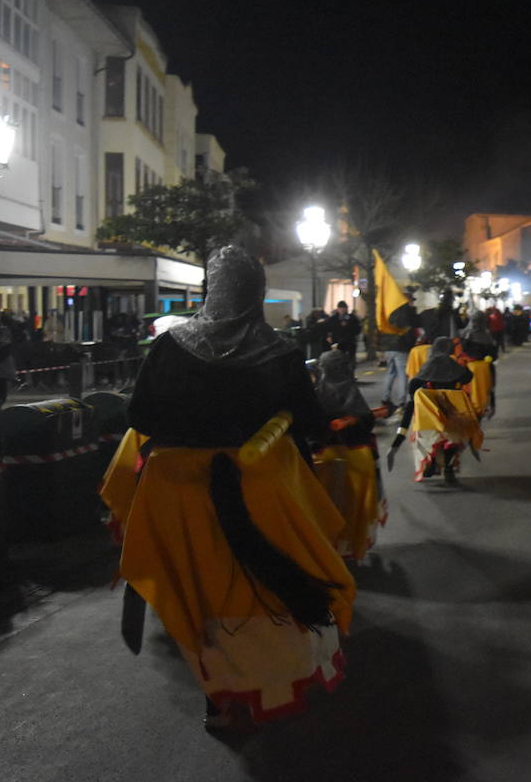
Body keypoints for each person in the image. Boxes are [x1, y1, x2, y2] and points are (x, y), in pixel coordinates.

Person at [100, 246, 355, 732]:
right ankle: (273, 676)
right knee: (266, 589)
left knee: (198, 590)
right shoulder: (280, 352)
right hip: (260, 485)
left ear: (208, 290)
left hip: (178, 495)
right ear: (256, 292)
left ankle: (216, 693)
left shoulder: (171, 346)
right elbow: (310, 423)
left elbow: (140, 417)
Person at [310, 349, 385, 561]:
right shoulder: (352, 393)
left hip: (322, 458)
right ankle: (348, 547)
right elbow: (366, 424)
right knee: (352, 508)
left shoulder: (315, 393)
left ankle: (322, 548)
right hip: (356, 459)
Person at [386, 337, 481, 484]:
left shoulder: (426, 368)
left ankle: (430, 459)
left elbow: (413, 392)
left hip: (427, 420)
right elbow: (467, 377)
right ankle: (448, 468)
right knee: (453, 436)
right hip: (452, 417)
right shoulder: (454, 368)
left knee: (421, 431)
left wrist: (397, 441)